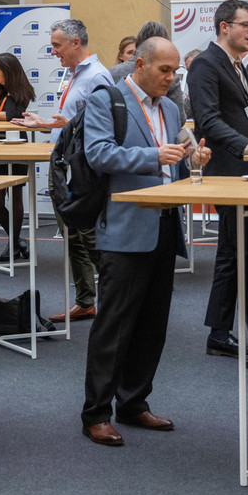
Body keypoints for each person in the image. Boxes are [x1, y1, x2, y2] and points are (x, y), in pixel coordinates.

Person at [80, 37, 209, 447]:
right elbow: (99, 154)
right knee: (114, 325)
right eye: (164, 71)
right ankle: (96, 413)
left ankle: (134, 403)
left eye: (175, 72)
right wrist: (155, 156)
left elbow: (175, 166)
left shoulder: (171, 107)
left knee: (153, 324)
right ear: (139, 64)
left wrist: (192, 161)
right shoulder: (107, 100)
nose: (171, 79)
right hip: (123, 227)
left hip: (165, 225)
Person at [188, 0, 248, 359]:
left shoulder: (238, 65)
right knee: (234, 251)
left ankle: (246, 326)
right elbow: (208, 120)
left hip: (246, 166)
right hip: (229, 170)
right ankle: (223, 330)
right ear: (224, 27)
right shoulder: (205, 65)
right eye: (246, 25)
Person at [32, 18, 114, 323]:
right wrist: (43, 124)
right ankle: (86, 301)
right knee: (72, 236)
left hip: (82, 169)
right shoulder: (74, 74)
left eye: (57, 45)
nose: (53, 52)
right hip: (64, 164)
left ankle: (114, 301)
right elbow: (73, 119)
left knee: (88, 236)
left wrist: (63, 127)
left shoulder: (97, 76)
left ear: (75, 43)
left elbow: (101, 125)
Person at [0, 52, 35, 261]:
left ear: (9, 73)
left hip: (16, 146)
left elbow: (15, 115)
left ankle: (13, 245)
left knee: (16, 195)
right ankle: (18, 240)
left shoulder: (21, 90)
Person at [112, 21, 187, 121]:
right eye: (164, 70)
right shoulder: (101, 99)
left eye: (173, 71)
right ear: (140, 65)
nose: (170, 77)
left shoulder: (112, 73)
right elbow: (180, 119)